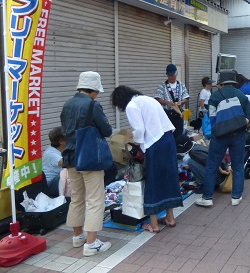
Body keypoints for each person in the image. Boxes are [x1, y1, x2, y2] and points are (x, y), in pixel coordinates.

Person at [111, 86, 183, 231]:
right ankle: (170, 217)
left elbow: (139, 130)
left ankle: (154, 224)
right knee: (169, 178)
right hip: (168, 140)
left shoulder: (132, 105)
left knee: (153, 180)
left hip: (155, 144)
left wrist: (136, 145)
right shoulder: (148, 99)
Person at [61, 71, 112, 256]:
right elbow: (106, 130)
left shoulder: (67, 104)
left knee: (76, 197)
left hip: (70, 157)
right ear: (94, 90)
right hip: (89, 157)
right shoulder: (92, 105)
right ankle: (91, 244)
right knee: (95, 199)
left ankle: (77, 236)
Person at [195, 70, 250, 207]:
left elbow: (212, 117)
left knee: (212, 166)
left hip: (220, 136)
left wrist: (217, 130)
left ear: (221, 84)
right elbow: (249, 113)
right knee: (238, 166)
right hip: (238, 135)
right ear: (233, 83)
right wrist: (240, 124)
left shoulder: (215, 96)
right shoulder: (241, 94)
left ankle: (207, 198)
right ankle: (236, 197)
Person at [155, 64, 189, 137]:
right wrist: (166, 102)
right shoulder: (162, 86)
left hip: (179, 114)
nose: (171, 77)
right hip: (167, 114)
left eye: (173, 75)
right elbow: (158, 98)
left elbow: (186, 98)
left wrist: (181, 102)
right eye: (169, 75)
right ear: (167, 75)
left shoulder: (181, 85)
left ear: (176, 74)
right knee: (168, 135)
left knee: (179, 135)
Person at [42, 127, 65, 197]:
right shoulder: (52, 154)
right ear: (61, 141)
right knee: (67, 172)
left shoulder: (54, 150)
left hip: (55, 183)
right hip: (50, 185)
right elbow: (67, 163)